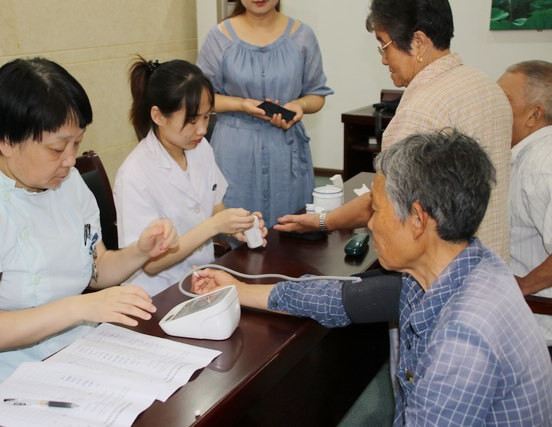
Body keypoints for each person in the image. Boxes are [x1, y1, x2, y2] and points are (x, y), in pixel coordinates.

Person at [192, 129, 552, 426]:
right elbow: (340, 299)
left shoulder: (463, 340)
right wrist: (240, 290)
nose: (370, 224)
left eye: (376, 211)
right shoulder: (464, 265)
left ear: (418, 220)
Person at [0, 58, 179, 416]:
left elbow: (96, 269)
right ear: (7, 140)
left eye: (77, 144)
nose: (71, 160)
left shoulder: (67, 183)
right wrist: (82, 307)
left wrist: (140, 251)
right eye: (58, 149)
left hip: (70, 363)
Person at [275, 0, 511, 262]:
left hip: (443, 273)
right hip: (491, 263)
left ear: (419, 42)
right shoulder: (487, 86)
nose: (384, 59)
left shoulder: (420, 111)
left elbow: (384, 202)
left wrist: (322, 221)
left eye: (384, 45)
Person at [113, 56, 267, 296]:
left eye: (207, 116)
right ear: (158, 116)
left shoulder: (200, 148)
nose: (202, 129)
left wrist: (236, 226)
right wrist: (215, 225)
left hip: (203, 280)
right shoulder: (134, 175)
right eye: (192, 120)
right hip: (157, 294)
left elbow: (214, 204)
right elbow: (151, 264)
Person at [196, 0, 334, 227]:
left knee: (290, 229)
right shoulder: (218, 37)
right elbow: (202, 98)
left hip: (286, 151)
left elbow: (317, 95)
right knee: (236, 229)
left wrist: (300, 105)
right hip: (235, 152)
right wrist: (242, 104)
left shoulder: (303, 36)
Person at [497, 60, 552, 348]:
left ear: (534, 114)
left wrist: (521, 287)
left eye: (503, 100)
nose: (494, 107)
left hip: (538, 328)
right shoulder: (528, 156)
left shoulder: (541, 167)